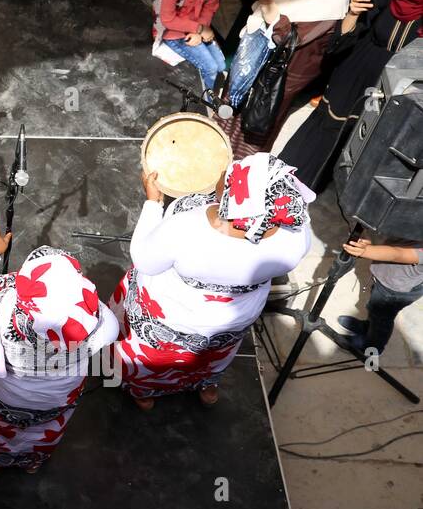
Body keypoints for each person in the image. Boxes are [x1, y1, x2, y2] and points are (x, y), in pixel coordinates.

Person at [114, 156, 314, 409]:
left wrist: (153, 203)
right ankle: (206, 387)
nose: (222, 172)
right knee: (213, 357)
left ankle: (144, 394)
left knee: (153, 358)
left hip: (174, 318)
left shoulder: (187, 228)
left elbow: (145, 261)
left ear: (234, 197)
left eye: (228, 174)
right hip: (231, 321)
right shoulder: (295, 234)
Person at [0, 216, 119, 472]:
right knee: (46, 431)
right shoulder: (99, 323)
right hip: (56, 400)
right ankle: (33, 463)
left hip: (4, 396)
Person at [280, 0, 423, 189]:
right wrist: (352, 13)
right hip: (355, 74)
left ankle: (311, 190)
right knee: (326, 129)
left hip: (390, 87)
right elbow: (342, 42)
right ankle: (285, 178)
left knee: (356, 140)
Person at [223, 0, 359, 154]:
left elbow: (288, 38)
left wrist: (267, 2)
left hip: (279, 76)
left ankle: (234, 174)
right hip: (252, 58)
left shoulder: (331, 3)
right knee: (231, 110)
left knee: (251, 127)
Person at [153, 0, 227, 95]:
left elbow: (209, 7)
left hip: (197, 26)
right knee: (210, 68)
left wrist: (200, 30)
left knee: (221, 65)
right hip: (173, 30)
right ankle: (209, 102)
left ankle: (213, 93)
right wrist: (199, 29)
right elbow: (167, 19)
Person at [338, 237, 423, 356]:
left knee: (382, 319)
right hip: (387, 279)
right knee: (374, 310)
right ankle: (368, 328)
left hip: (395, 290)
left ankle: (373, 346)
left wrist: (366, 251)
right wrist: (372, 243)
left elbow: (397, 254)